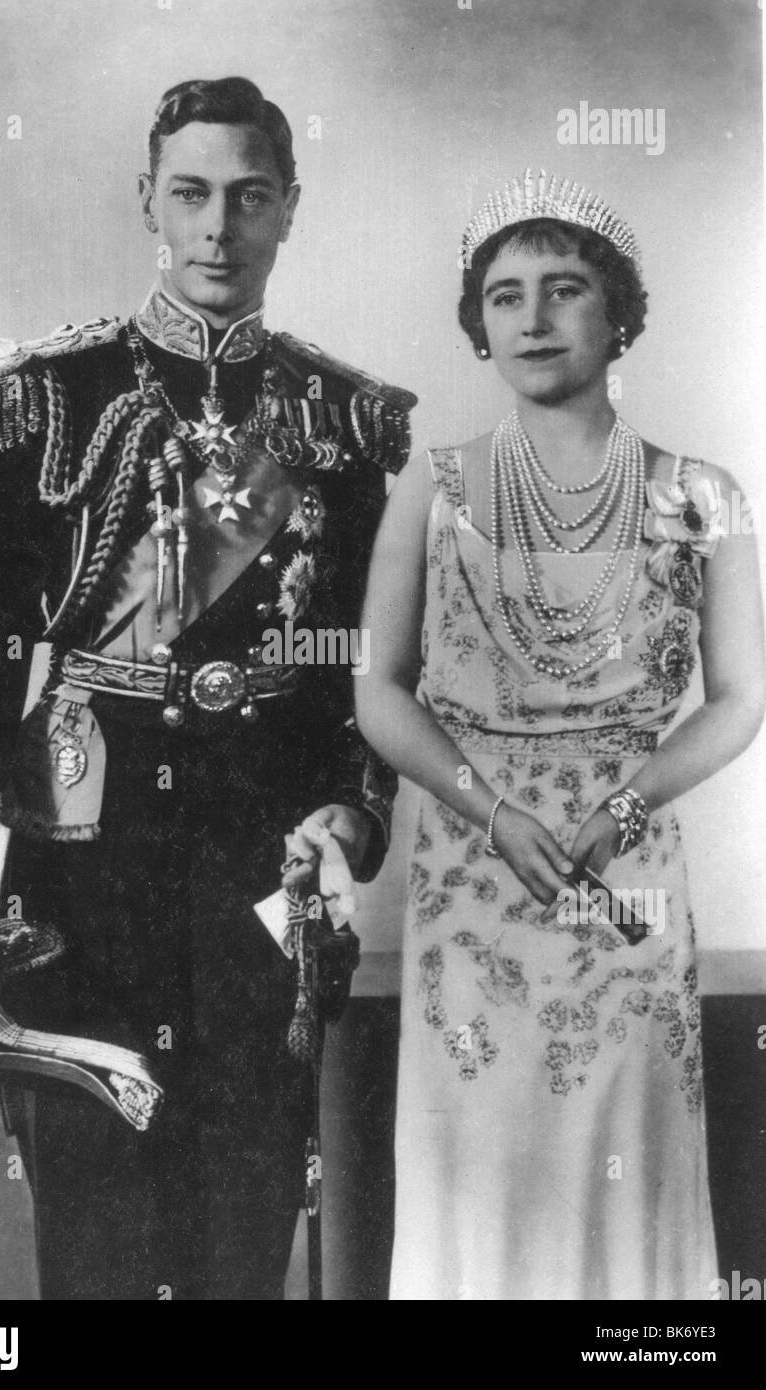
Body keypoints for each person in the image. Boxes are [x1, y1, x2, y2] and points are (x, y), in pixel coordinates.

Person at [0, 75, 416, 1301]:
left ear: (290, 211)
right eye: (190, 195)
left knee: (240, 1235)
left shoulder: (336, 422)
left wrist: (349, 812)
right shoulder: (44, 398)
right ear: (148, 204)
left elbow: (364, 664)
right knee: (98, 1235)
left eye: (247, 198)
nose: (217, 228)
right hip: (81, 860)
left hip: (255, 877)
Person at [356, 170, 764, 1300]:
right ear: (477, 325)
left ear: (616, 312)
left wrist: (617, 809)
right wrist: (490, 807)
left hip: (621, 869)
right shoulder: (432, 490)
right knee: (478, 1166)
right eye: (503, 295)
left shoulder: (702, 496)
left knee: (616, 1158)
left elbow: (739, 699)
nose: (531, 317)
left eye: (564, 288)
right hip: (473, 865)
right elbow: (377, 693)